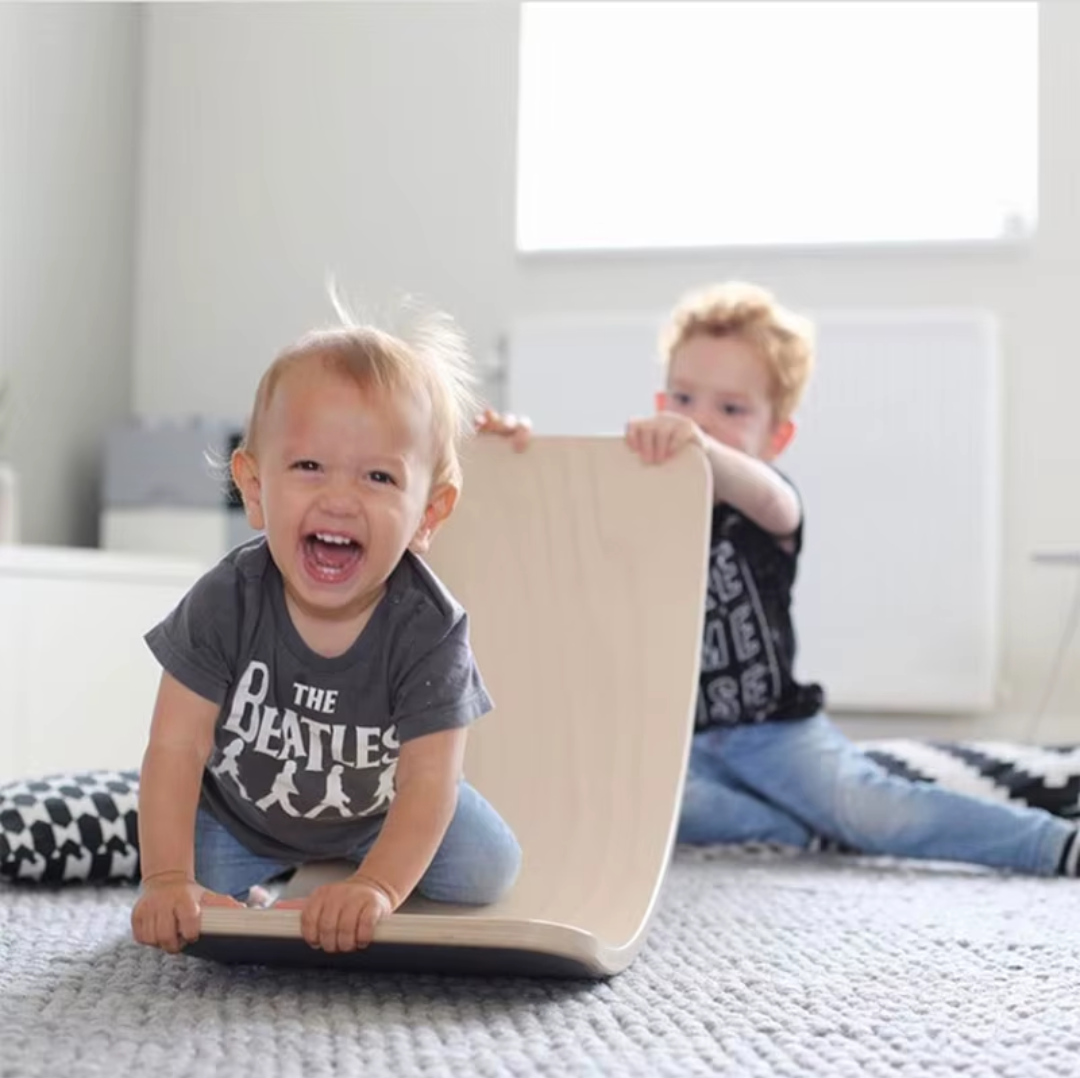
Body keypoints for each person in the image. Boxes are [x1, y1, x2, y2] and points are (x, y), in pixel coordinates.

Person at [480, 281, 1080, 878]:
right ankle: (796, 831)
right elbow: (557, 508)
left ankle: (1049, 843)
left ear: (776, 438)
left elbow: (775, 502)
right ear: (661, 404)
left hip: (773, 732)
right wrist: (512, 455)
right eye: (684, 400)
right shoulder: (639, 496)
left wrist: (706, 453)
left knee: (872, 810)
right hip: (676, 741)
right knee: (627, 805)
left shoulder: (765, 503)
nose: (701, 422)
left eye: (731, 410)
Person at [131, 299, 521, 956]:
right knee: (185, 889)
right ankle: (265, 871)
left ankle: (348, 868)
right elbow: (175, 749)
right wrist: (165, 877)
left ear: (429, 514)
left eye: (378, 476)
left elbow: (429, 779)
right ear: (255, 488)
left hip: (378, 814)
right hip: (244, 819)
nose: (339, 498)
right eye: (309, 466)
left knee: (490, 868)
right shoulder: (225, 601)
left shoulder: (431, 628)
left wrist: (377, 887)